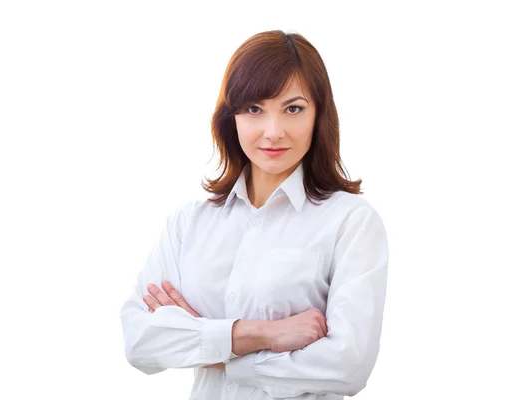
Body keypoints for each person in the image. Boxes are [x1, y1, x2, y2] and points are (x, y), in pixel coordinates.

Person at [119, 29, 388, 400]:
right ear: (231, 117)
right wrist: (263, 334)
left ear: (318, 115)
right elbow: (140, 342)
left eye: (293, 109)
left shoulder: (350, 222)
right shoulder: (189, 224)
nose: (273, 132)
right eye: (254, 109)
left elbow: (348, 366)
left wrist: (212, 348)